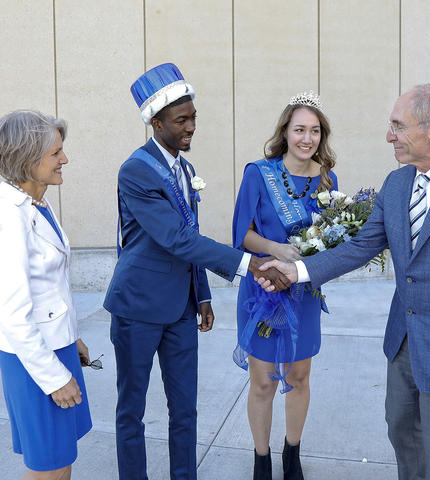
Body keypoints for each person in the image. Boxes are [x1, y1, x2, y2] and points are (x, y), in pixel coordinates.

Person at [257, 84, 430, 480]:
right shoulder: (396, 186)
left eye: (398, 125)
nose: (389, 135)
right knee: (401, 433)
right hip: (402, 345)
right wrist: (299, 271)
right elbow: (359, 248)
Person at [103, 63, 288, 480]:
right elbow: (176, 239)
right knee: (131, 411)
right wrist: (247, 263)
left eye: (193, 118)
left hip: (182, 309)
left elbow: (191, 233)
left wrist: (201, 294)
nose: (190, 127)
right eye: (180, 120)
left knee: (184, 408)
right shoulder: (137, 170)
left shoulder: (184, 169)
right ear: (156, 122)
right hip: (137, 308)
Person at [232, 92, 337, 480]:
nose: (306, 139)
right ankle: (262, 457)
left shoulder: (328, 179)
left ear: (321, 135)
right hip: (263, 290)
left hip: (303, 294)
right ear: (285, 132)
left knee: (298, 377)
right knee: (261, 381)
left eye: (314, 131)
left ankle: (292, 453)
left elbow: (331, 240)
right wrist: (275, 247)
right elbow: (240, 234)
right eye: (299, 130)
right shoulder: (258, 174)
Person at [0, 110, 92, 480]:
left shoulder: (36, 200)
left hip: (58, 343)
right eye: (56, 153)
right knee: (50, 469)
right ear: (27, 157)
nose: (64, 160)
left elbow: (50, 286)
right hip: (35, 360)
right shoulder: (9, 216)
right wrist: (54, 377)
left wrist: (73, 335)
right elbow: (12, 315)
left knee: (60, 461)